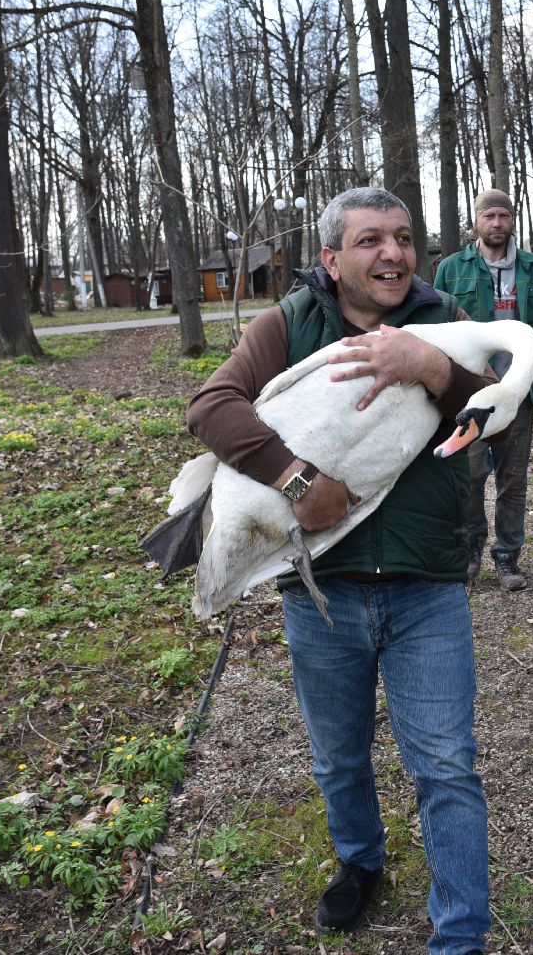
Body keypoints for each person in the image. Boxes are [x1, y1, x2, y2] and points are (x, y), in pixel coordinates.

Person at [186, 188, 493, 953]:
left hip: (427, 588)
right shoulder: (290, 324)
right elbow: (211, 407)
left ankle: (460, 933)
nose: (390, 254)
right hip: (324, 595)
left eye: (401, 238)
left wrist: (431, 367)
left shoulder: (448, 323)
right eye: (368, 241)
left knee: (448, 767)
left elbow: (498, 410)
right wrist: (297, 484)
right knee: (338, 756)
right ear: (331, 259)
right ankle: (361, 863)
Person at [433, 189, 533, 591]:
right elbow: (439, 332)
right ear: (476, 221)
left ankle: (507, 558)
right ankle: (469, 554)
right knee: (469, 477)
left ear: (512, 220)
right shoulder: (452, 269)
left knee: (512, 481)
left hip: (518, 395)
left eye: (504, 215)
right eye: (489, 216)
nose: (497, 223)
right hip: (471, 396)